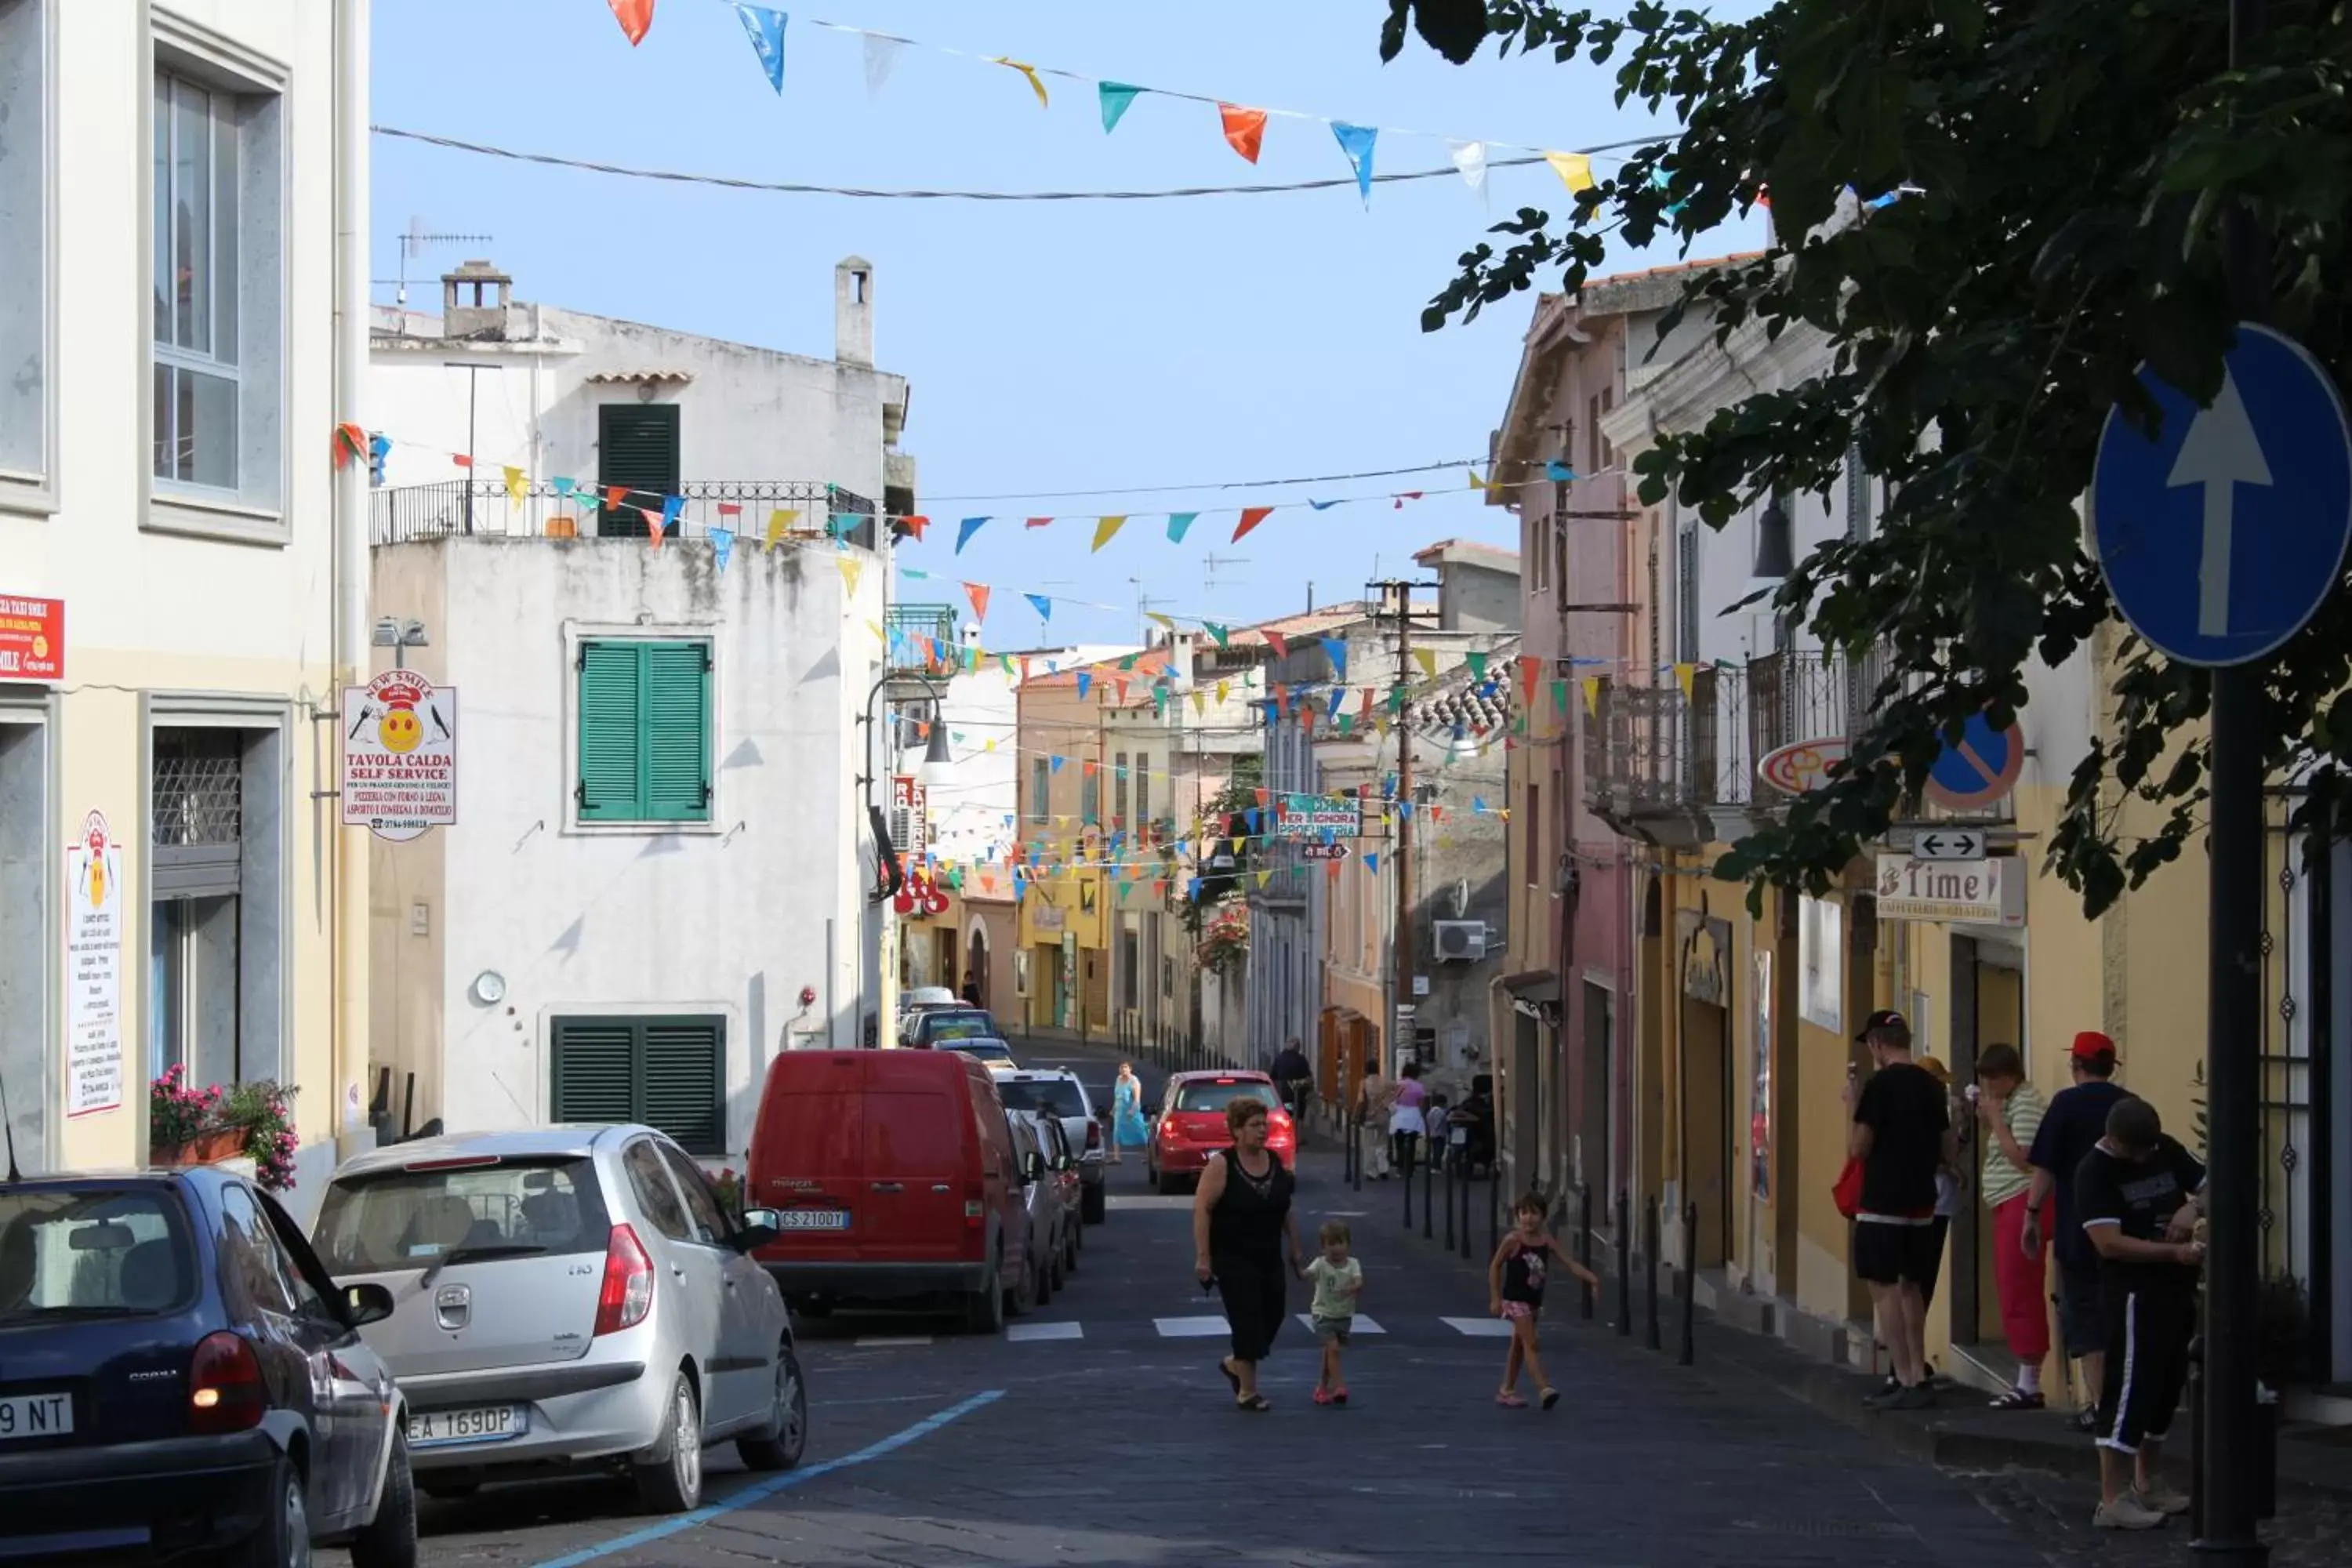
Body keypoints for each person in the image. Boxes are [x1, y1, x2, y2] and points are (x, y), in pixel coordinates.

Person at [2077, 1097, 2204, 1530]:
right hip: (2133, 1294)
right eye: (2140, 1152)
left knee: (2165, 1387)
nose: (2149, 1157)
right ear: (2115, 1141)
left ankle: (2149, 1482)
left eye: (2152, 1148)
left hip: (2175, 1289)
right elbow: (2108, 1242)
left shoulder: (2161, 1146)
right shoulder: (2094, 1173)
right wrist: (2173, 1252)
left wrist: (2194, 1207)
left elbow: (2210, 1180)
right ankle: (2112, 1499)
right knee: (2128, 1390)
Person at [2024, 1031, 2134, 1429]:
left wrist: (2032, 1212)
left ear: (2076, 1066)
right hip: (2126, 1230)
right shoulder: (2129, 1105)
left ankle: (2101, 1407)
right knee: (2121, 1317)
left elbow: (2046, 1167)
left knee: (2087, 1319)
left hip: (2078, 1228)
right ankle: (2123, 1403)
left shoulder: (2066, 1104)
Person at [1846, 1009, 1955, 1410]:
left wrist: (1853, 1105)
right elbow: (1947, 1146)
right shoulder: (1931, 1085)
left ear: (1876, 1044)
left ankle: (1905, 1374)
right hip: (1923, 1200)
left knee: (1884, 1287)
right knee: (1911, 1287)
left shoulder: (1879, 1086)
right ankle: (1916, 1377)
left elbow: (1859, 1148)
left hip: (1882, 1200)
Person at [1192, 1095, 1306, 1411]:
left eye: (1264, 1124)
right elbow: (1202, 1209)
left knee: (1274, 1314)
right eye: (1254, 1125)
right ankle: (1248, 1391)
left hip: (1268, 1253)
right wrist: (1203, 1257)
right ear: (1237, 1131)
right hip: (1232, 1255)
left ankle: (1234, 1363)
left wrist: (1296, 1250)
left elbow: (1286, 1209)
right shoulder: (1221, 1165)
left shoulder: (1274, 1163)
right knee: (1246, 1318)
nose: (1262, 1131)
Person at [1973, 1043, 2051, 1409]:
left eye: (1992, 1080)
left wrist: (1997, 1120)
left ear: (2008, 1076)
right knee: (2011, 1285)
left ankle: (2028, 1381)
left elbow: (2024, 1157)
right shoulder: (2013, 1102)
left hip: (2021, 1200)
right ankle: (2026, 1377)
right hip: (2007, 1201)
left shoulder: (2026, 1103)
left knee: (2019, 1285)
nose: (1987, 1087)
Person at [1487, 1191, 1599, 1409]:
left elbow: (1570, 1263)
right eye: (1524, 1213)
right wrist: (1495, 1298)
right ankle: (1544, 1388)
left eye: (1534, 1213)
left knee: (1519, 1345)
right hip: (1515, 1300)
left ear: (1543, 1217)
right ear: (1518, 1215)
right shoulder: (1513, 1240)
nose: (1529, 1218)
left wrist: (1592, 1279)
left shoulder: (1546, 1241)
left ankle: (1506, 1389)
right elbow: (1495, 1266)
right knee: (1532, 1342)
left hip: (1532, 1301)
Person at [1301, 1220, 1363, 1406]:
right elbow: (1308, 1273)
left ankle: (1321, 1387)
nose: (1336, 1249)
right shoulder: (1320, 1264)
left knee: (1331, 1353)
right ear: (1323, 1247)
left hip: (1343, 1315)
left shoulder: (1353, 1264)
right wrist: (1301, 1271)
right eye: (1331, 1244)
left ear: (1348, 1244)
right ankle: (1339, 1387)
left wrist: (1353, 1288)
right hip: (1323, 1314)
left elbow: (1359, 1282)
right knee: (1334, 1349)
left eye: (1340, 1243)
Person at [1388, 1061, 1428, 1174]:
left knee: (1399, 1141)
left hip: (1401, 1113)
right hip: (1413, 1114)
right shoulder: (1420, 1087)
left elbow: (1394, 1098)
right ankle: (1410, 1167)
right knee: (1412, 1142)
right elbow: (1421, 1104)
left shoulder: (1400, 1085)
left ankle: (1400, 1167)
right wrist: (1423, 1116)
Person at [1356, 1060, 1392, 1179]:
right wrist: (1386, 1103)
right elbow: (1398, 1089)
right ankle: (1383, 1169)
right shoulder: (1385, 1082)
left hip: (1369, 1116)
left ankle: (1371, 1172)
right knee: (1382, 1143)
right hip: (1383, 1115)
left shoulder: (1364, 1083)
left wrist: (1356, 1114)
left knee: (1369, 1144)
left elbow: (1361, 1101)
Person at [1110, 1062, 1148, 1164]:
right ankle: (1117, 1158)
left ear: (1130, 1069)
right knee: (1116, 1133)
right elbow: (1117, 1096)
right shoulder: (1118, 1079)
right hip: (1119, 1111)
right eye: (1121, 1067)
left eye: (1125, 1067)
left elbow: (1137, 1100)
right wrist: (1113, 1109)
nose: (1123, 1069)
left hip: (1131, 1111)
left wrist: (1132, 1111)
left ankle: (1148, 1156)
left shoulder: (1134, 1081)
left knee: (1141, 1133)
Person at [1269, 1037, 1313, 1121]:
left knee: (1288, 1111)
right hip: (1300, 1097)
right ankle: (1298, 1132)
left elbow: (1273, 1076)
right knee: (1300, 1116)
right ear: (1297, 1047)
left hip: (1285, 1095)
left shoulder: (1279, 1059)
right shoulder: (1301, 1059)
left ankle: (1288, 1126)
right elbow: (1308, 1077)